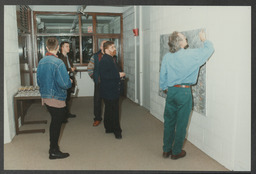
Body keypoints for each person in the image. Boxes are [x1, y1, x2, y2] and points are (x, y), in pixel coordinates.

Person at [159, 30, 214, 160]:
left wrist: (165, 88)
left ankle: (166, 150)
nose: (186, 40)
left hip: (171, 91)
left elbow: (163, 76)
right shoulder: (191, 54)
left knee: (169, 122)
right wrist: (203, 39)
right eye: (184, 38)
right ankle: (176, 152)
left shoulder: (167, 57)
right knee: (181, 123)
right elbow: (209, 49)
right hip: (184, 92)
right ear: (180, 43)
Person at [37, 37, 72, 159]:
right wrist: (70, 81)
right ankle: (53, 150)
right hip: (56, 97)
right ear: (57, 48)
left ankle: (53, 148)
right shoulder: (59, 63)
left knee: (54, 122)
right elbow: (65, 84)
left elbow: (39, 81)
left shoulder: (41, 61)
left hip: (46, 97)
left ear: (47, 47)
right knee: (56, 124)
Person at [99, 41, 126, 139]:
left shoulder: (111, 59)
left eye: (114, 47)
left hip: (110, 89)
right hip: (110, 90)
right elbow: (104, 75)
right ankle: (117, 131)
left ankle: (108, 127)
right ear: (106, 50)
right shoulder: (105, 60)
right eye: (112, 47)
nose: (114, 49)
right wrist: (118, 75)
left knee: (109, 110)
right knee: (114, 111)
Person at [87, 40, 107, 127]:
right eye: (104, 45)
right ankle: (97, 118)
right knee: (97, 101)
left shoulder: (112, 56)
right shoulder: (95, 56)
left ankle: (108, 119)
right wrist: (94, 78)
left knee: (109, 102)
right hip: (99, 83)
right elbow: (90, 68)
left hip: (109, 83)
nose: (105, 46)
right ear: (100, 47)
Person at [57, 41, 76, 122]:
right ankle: (63, 116)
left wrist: (72, 68)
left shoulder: (67, 56)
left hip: (69, 79)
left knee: (67, 98)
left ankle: (67, 113)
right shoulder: (59, 57)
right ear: (62, 48)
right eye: (67, 46)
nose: (69, 48)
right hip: (63, 80)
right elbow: (61, 69)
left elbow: (69, 66)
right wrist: (70, 69)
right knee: (63, 99)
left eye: (69, 46)